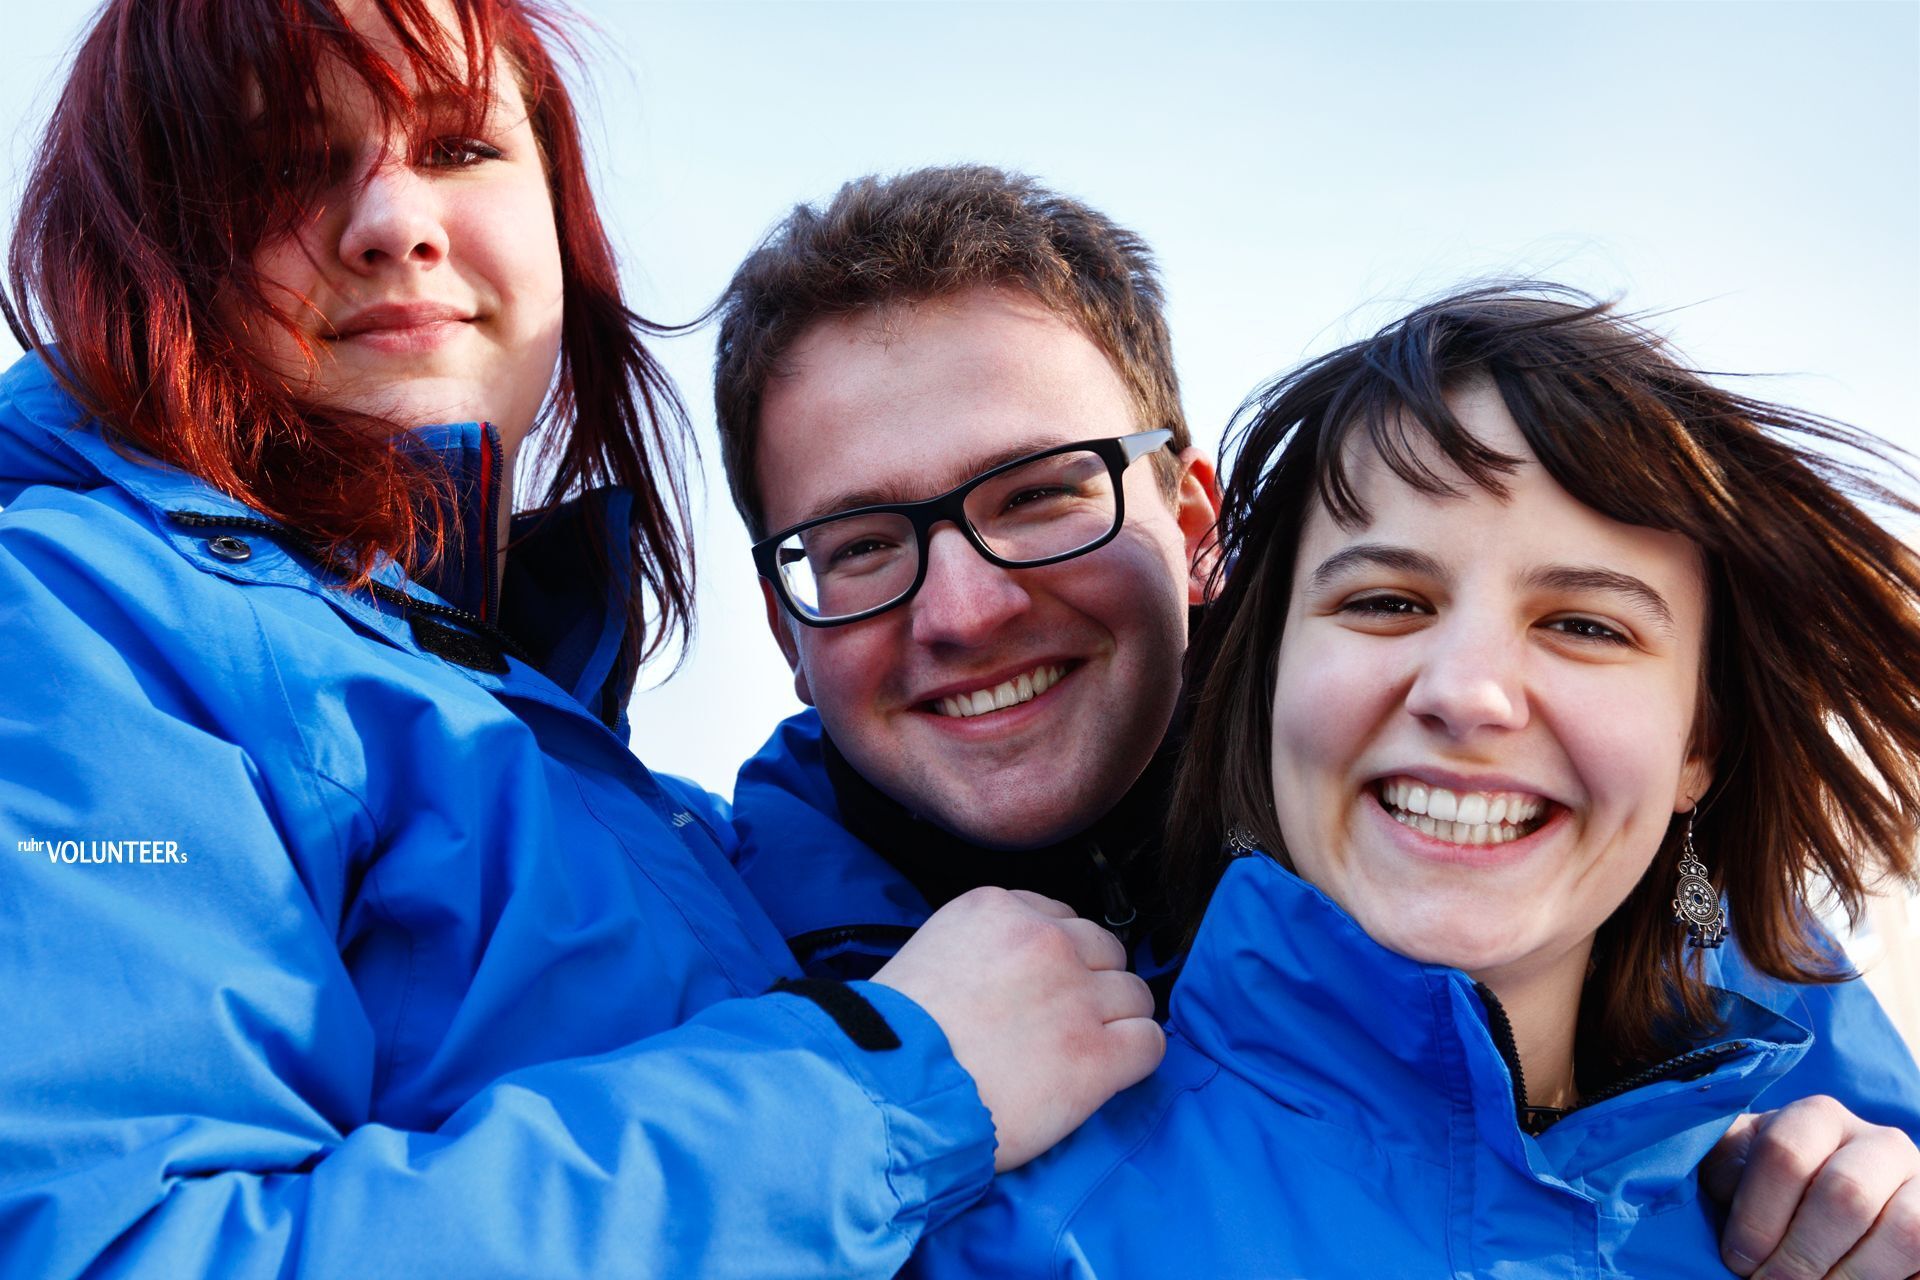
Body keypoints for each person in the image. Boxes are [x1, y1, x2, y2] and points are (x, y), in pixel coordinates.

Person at [0, 4, 1164, 1275]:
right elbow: (119, 1247)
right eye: (286, 165)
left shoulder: (589, 764)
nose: (395, 220)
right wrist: (887, 1083)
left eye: (456, 148)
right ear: (147, 235)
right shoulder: (79, 628)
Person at [710, 167, 1920, 1273]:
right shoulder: (712, 969)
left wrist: (1871, 1197)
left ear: (1196, 530)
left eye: (1040, 493)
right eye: (860, 546)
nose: (966, 611)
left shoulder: (1636, 894)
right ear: (782, 624)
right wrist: (887, 1083)